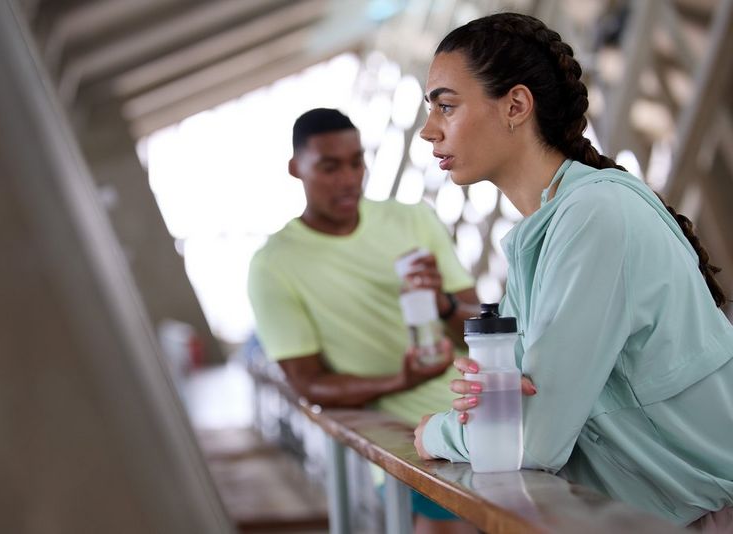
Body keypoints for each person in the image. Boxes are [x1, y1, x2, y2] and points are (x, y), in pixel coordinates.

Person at [412, 12, 733, 531]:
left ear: (516, 105)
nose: (430, 131)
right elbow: (513, 408)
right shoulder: (541, 234)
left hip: (704, 514)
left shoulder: (594, 215)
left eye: (446, 106)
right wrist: (498, 398)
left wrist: (435, 433)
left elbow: (533, 440)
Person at [248, 108, 482, 533]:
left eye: (357, 162)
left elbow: (477, 331)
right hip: (406, 441)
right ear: (296, 169)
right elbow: (306, 382)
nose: (348, 179)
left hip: (484, 416)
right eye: (329, 167)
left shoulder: (413, 219)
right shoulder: (274, 265)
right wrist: (399, 381)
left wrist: (443, 303)